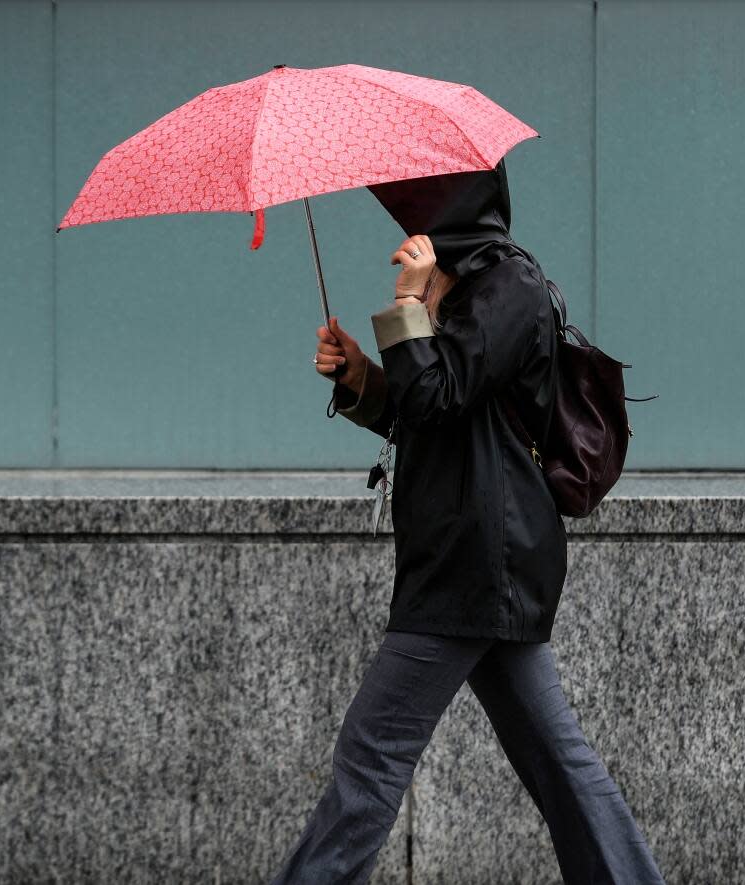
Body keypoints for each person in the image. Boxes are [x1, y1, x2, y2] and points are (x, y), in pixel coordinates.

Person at [270, 160, 666, 884]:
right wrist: (361, 378)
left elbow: (440, 393)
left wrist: (405, 304)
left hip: (478, 557)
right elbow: (433, 415)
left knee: (371, 752)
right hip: (478, 556)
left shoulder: (506, 284)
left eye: (422, 194)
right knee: (560, 763)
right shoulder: (463, 285)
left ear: (461, 197)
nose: (406, 210)